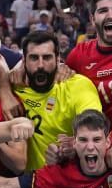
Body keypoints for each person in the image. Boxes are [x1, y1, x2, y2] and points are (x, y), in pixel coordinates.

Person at [13, 30, 103, 170]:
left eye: (47, 57)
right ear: (24, 61)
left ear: (58, 59)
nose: (41, 65)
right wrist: (4, 88)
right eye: (34, 58)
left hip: (66, 177)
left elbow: (95, 126)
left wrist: (73, 146)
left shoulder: (77, 85)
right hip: (27, 180)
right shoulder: (13, 86)